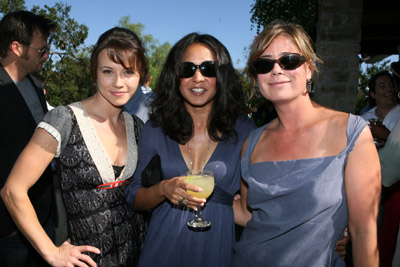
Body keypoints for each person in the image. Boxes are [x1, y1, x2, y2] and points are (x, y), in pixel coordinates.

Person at [233, 21, 380, 266]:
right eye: (264, 64)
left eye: (289, 60)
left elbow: (363, 233)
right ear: (256, 77)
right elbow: (249, 215)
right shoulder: (252, 142)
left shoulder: (351, 132)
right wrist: (188, 193)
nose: (276, 70)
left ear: (309, 69)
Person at [1, 27, 148, 266]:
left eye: (128, 72)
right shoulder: (64, 119)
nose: (119, 82)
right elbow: (13, 190)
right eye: (108, 71)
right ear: (94, 73)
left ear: (140, 75)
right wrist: (51, 251)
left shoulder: (138, 126)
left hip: (137, 255)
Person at [125, 32, 256, 267]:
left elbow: (254, 208)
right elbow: (133, 197)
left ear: (222, 75)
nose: (198, 77)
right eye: (188, 69)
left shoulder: (244, 131)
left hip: (217, 250)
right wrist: (163, 189)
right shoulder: (156, 129)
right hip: (162, 251)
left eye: (208, 69)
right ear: (175, 77)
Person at [0, 11, 56, 267]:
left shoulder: (34, 84)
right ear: (17, 48)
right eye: (42, 50)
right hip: (9, 229)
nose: (47, 56)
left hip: (44, 219)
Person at [361, 71, 400, 147]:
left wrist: (387, 135)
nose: (389, 89)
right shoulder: (364, 119)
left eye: (391, 85)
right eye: (382, 86)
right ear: (373, 94)